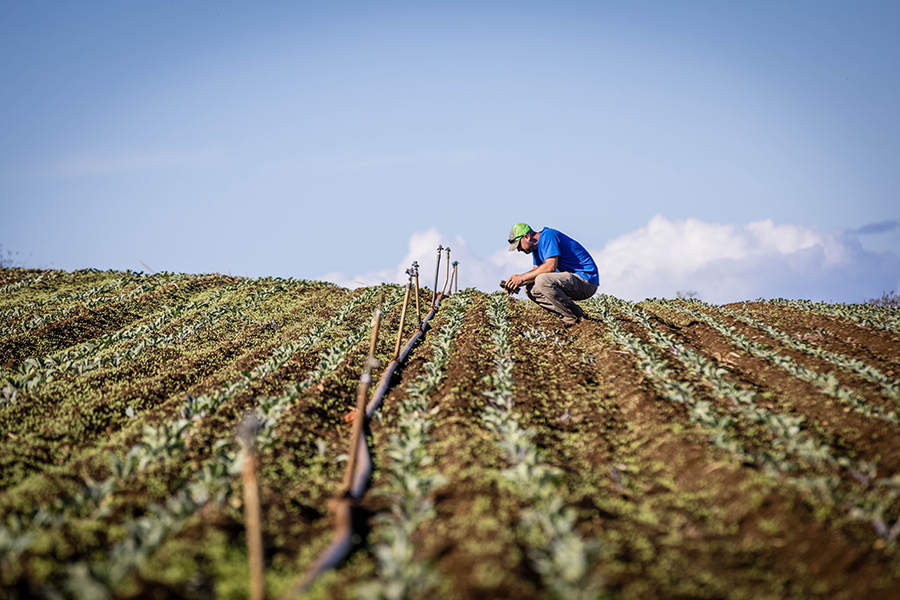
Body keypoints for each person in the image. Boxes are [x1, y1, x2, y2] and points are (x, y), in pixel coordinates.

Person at [502, 223, 599, 326]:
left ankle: (572, 317)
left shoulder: (548, 236)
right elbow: (536, 273)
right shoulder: (535, 249)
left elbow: (550, 267)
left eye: (519, 245)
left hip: (585, 280)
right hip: (570, 281)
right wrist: (516, 283)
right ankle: (573, 314)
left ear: (526, 236)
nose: (519, 250)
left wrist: (521, 278)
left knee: (542, 280)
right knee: (531, 288)